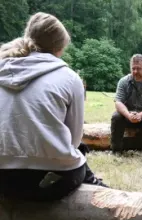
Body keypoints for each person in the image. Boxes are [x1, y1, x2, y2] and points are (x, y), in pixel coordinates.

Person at [0, 12, 107, 202]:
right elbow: (74, 141)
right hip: (51, 181)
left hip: (3, 179)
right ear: (58, 47)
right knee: (78, 150)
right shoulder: (69, 77)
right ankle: (96, 185)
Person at [111, 54, 142, 153]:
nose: (135, 72)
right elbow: (118, 102)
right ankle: (116, 150)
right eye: (133, 69)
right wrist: (128, 115)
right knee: (116, 116)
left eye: (138, 69)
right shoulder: (123, 81)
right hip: (128, 115)